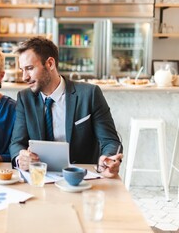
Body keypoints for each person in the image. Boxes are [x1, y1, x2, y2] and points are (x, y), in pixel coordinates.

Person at [9, 37, 123, 178]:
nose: (24, 77)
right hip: (41, 177)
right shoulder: (25, 98)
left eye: (30, 68)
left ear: (50, 63)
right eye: (22, 70)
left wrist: (108, 159)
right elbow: (16, 144)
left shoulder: (89, 94)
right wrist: (21, 159)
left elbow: (110, 140)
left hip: (81, 177)